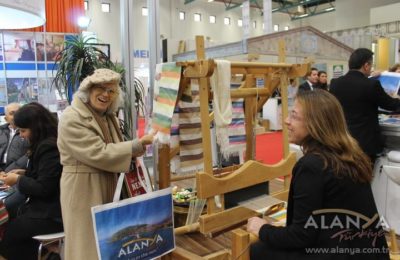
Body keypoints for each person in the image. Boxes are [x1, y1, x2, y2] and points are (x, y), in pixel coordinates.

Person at [247, 90, 389, 259]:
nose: (286, 121)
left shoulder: (312, 166)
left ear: (315, 124)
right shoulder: (351, 155)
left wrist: (262, 228)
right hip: (369, 251)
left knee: (258, 249)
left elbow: (300, 236)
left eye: (294, 116)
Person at [57, 68, 155, 260]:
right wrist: (135, 146)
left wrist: (134, 149)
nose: (105, 94)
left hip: (106, 183)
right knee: (87, 247)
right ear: (88, 89)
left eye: (111, 91)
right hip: (84, 189)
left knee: (110, 246)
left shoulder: (107, 116)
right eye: (100, 88)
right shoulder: (71, 117)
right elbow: (97, 152)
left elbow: (112, 149)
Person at [0, 102, 63, 260]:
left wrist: (19, 179)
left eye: (23, 130)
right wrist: (24, 173)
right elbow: (47, 175)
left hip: (53, 215)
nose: (21, 135)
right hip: (48, 210)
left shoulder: (49, 147)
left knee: (9, 239)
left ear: (37, 127)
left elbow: (44, 187)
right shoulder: (47, 143)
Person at [330, 48, 400, 162]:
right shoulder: (371, 85)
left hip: (342, 141)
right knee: (365, 176)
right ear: (366, 65)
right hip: (365, 144)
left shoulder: (335, 83)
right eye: (371, 65)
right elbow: (391, 105)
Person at [0, 103, 28, 172]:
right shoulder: (1, 131)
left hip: (17, 171)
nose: (16, 116)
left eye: (18, 113)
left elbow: (28, 155)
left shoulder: (28, 132)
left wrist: (8, 171)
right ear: (6, 118)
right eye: (12, 113)